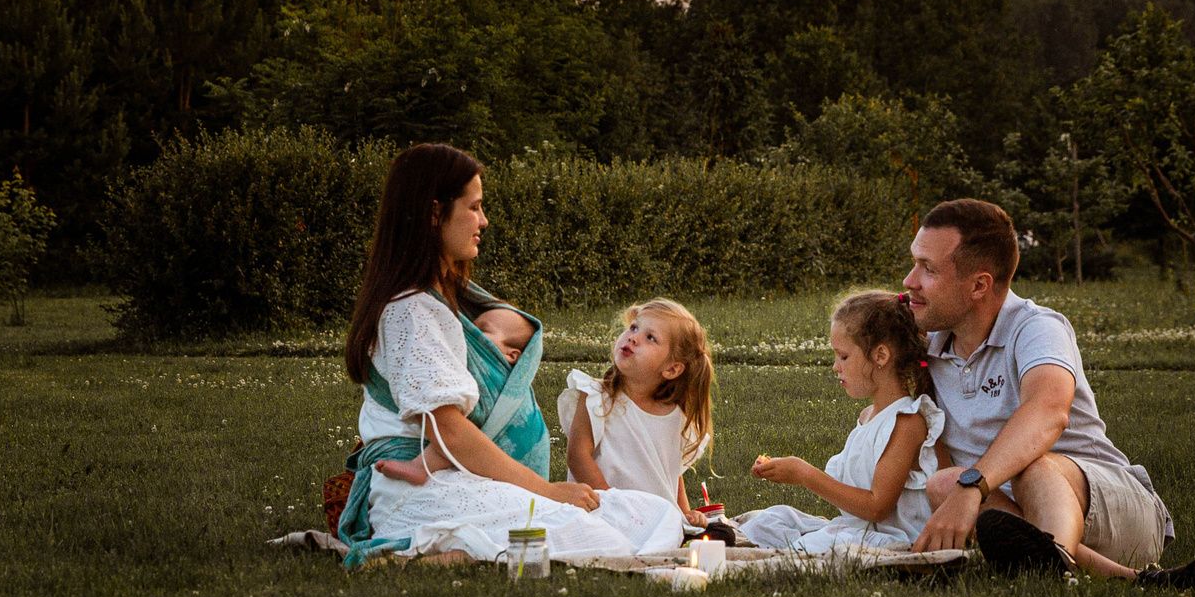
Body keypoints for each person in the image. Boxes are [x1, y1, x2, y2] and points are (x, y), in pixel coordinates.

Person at [331, 143, 685, 566]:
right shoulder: (410, 312)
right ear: (432, 213)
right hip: (428, 490)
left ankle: (468, 546)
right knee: (586, 533)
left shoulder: (443, 297)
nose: (483, 220)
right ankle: (433, 556)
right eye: (474, 207)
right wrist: (548, 490)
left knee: (654, 514)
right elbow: (451, 433)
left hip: (463, 478)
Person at [907, 198, 1195, 587]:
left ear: (979, 285)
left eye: (928, 268)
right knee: (942, 484)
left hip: (1111, 506)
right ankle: (1115, 579)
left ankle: (1058, 569)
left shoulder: (1036, 328)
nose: (909, 280)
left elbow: (1047, 412)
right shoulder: (927, 346)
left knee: (1032, 468)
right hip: (1007, 518)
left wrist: (973, 485)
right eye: (915, 262)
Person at [735, 290, 943, 554]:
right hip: (856, 529)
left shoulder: (906, 422)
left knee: (817, 544)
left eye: (843, 356)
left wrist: (805, 475)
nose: (836, 366)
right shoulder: (868, 417)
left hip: (892, 538)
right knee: (770, 520)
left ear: (880, 356)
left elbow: (877, 508)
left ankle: (793, 552)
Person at [557, 299, 716, 522]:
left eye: (650, 337)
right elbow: (577, 456)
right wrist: (612, 504)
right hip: (602, 513)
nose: (633, 337)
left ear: (671, 369)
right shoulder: (596, 397)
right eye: (634, 327)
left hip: (654, 520)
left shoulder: (675, 416)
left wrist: (684, 512)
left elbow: (671, 472)